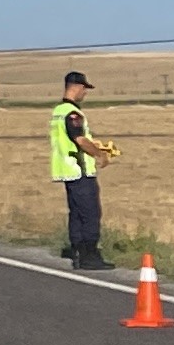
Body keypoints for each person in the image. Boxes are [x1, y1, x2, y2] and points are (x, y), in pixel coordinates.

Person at [49, 72, 119, 270]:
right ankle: (90, 255)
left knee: (76, 213)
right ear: (76, 86)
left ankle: (77, 252)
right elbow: (79, 140)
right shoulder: (73, 114)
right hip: (79, 171)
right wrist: (99, 154)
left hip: (66, 171)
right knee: (90, 214)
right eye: (84, 88)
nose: (85, 92)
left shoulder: (58, 111)